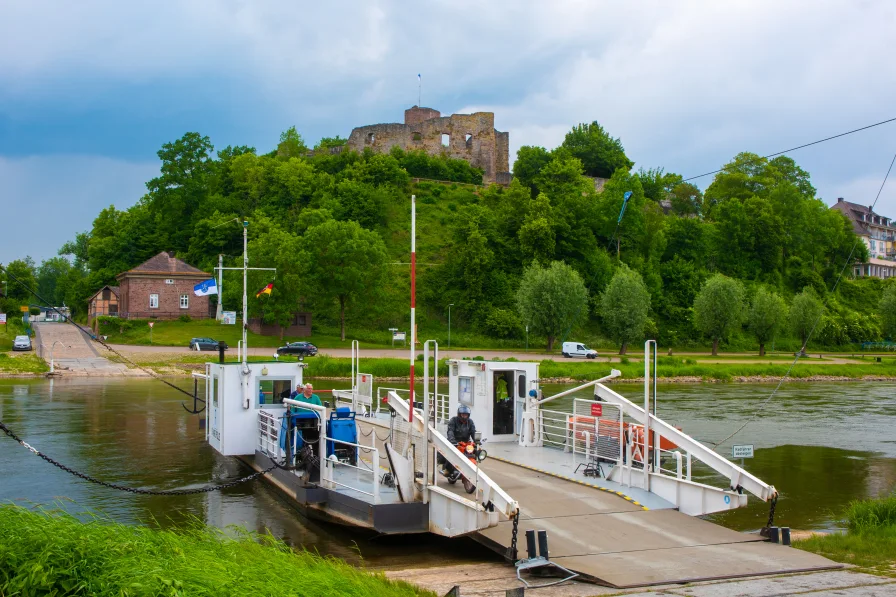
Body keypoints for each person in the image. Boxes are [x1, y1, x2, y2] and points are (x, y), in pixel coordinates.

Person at [439, 405, 477, 480]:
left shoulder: (470, 422)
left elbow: (473, 432)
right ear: (459, 414)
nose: (464, 416)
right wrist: (452, 440)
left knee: (474, 452)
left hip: (466, 443)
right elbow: (450, 431)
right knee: (451, 454)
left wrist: (477, 440)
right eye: (463, 414)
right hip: (455, 442)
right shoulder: (453, 420)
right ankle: (448, 469)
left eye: (466, 415)